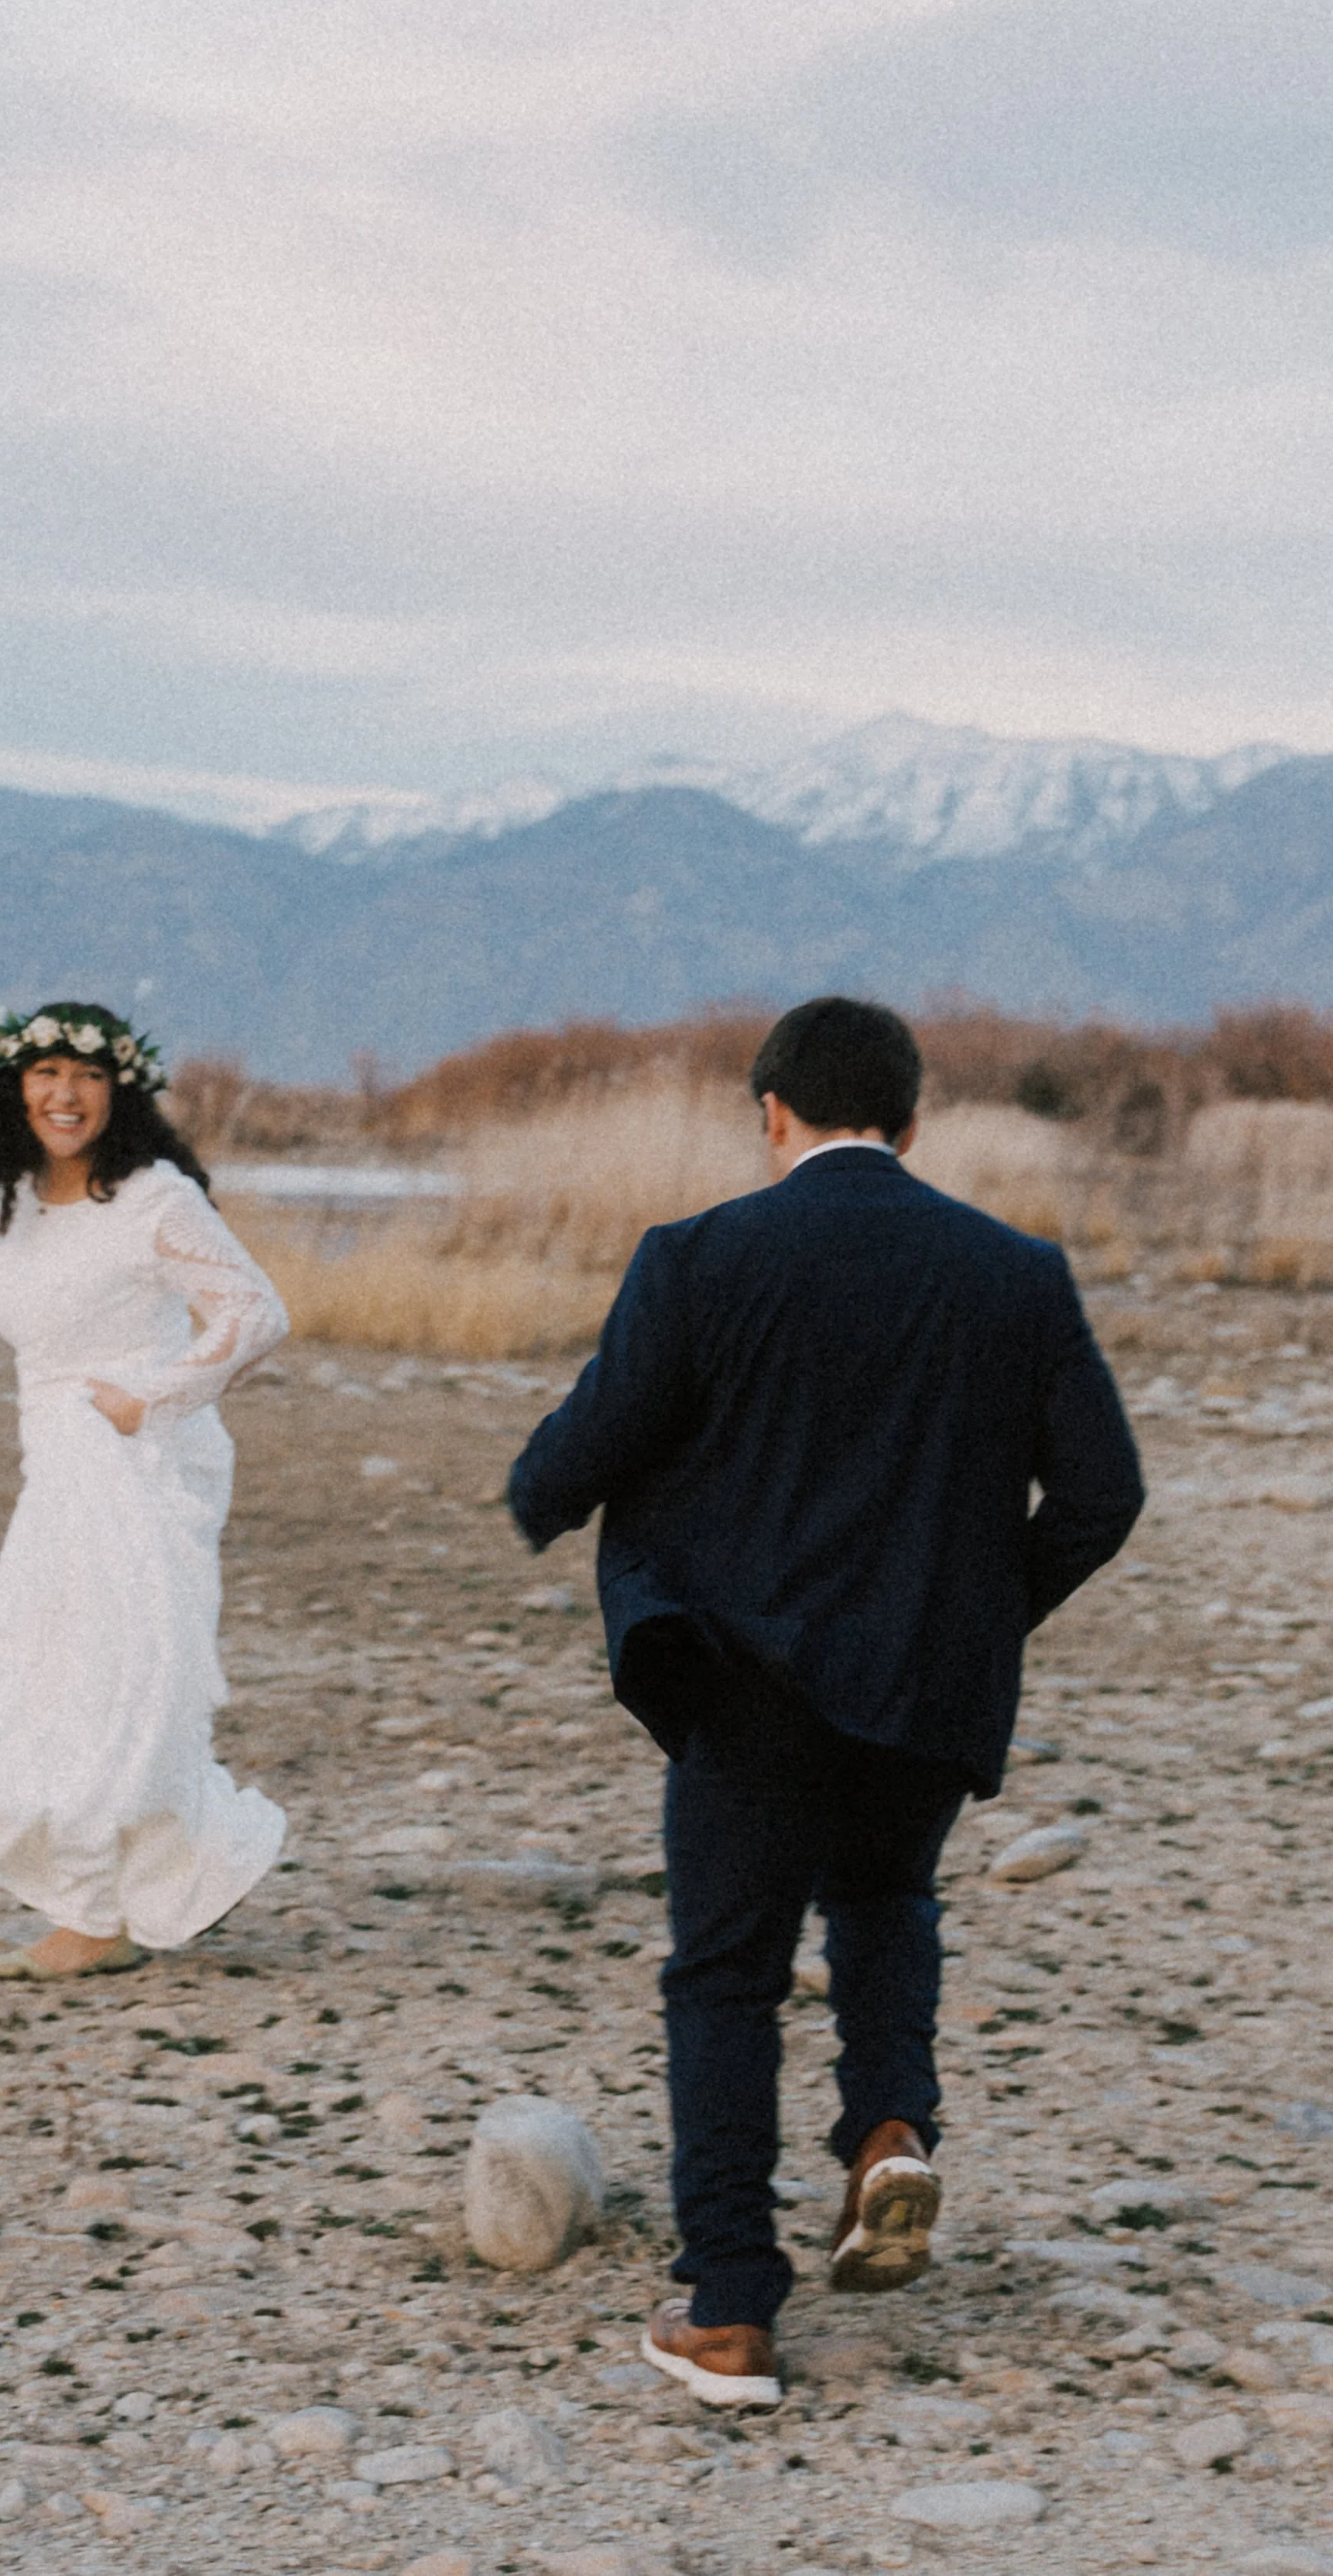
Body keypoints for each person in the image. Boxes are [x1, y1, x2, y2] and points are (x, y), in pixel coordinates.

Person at [506, 996, 1143, 2407]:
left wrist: (544, 1489)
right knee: (883, 1905)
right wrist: (971, 1612)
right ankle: (890, 2135)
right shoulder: (1015, 1273)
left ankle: (731, 2308)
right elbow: (1104, 1496)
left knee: (725, 1974)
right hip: (927, 1680)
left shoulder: (699, 1257)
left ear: (770, 1113)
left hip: (745, 1683)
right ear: (913, 1125)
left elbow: (575, 1462)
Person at [0, 1003, 289, 1977]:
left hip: (132, 1461)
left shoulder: (153, 1199)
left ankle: (108, 1910)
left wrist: (153, 1397)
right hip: (55, 1457)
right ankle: (107, 1901)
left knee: (113, 1672)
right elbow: (9, 1257)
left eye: (89, 1077)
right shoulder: (18, 1198)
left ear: (118, 1091)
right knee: (58, 1665)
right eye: (48, 1073)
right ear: (16, 1087)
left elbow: (254, 1312)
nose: (67, 1095)